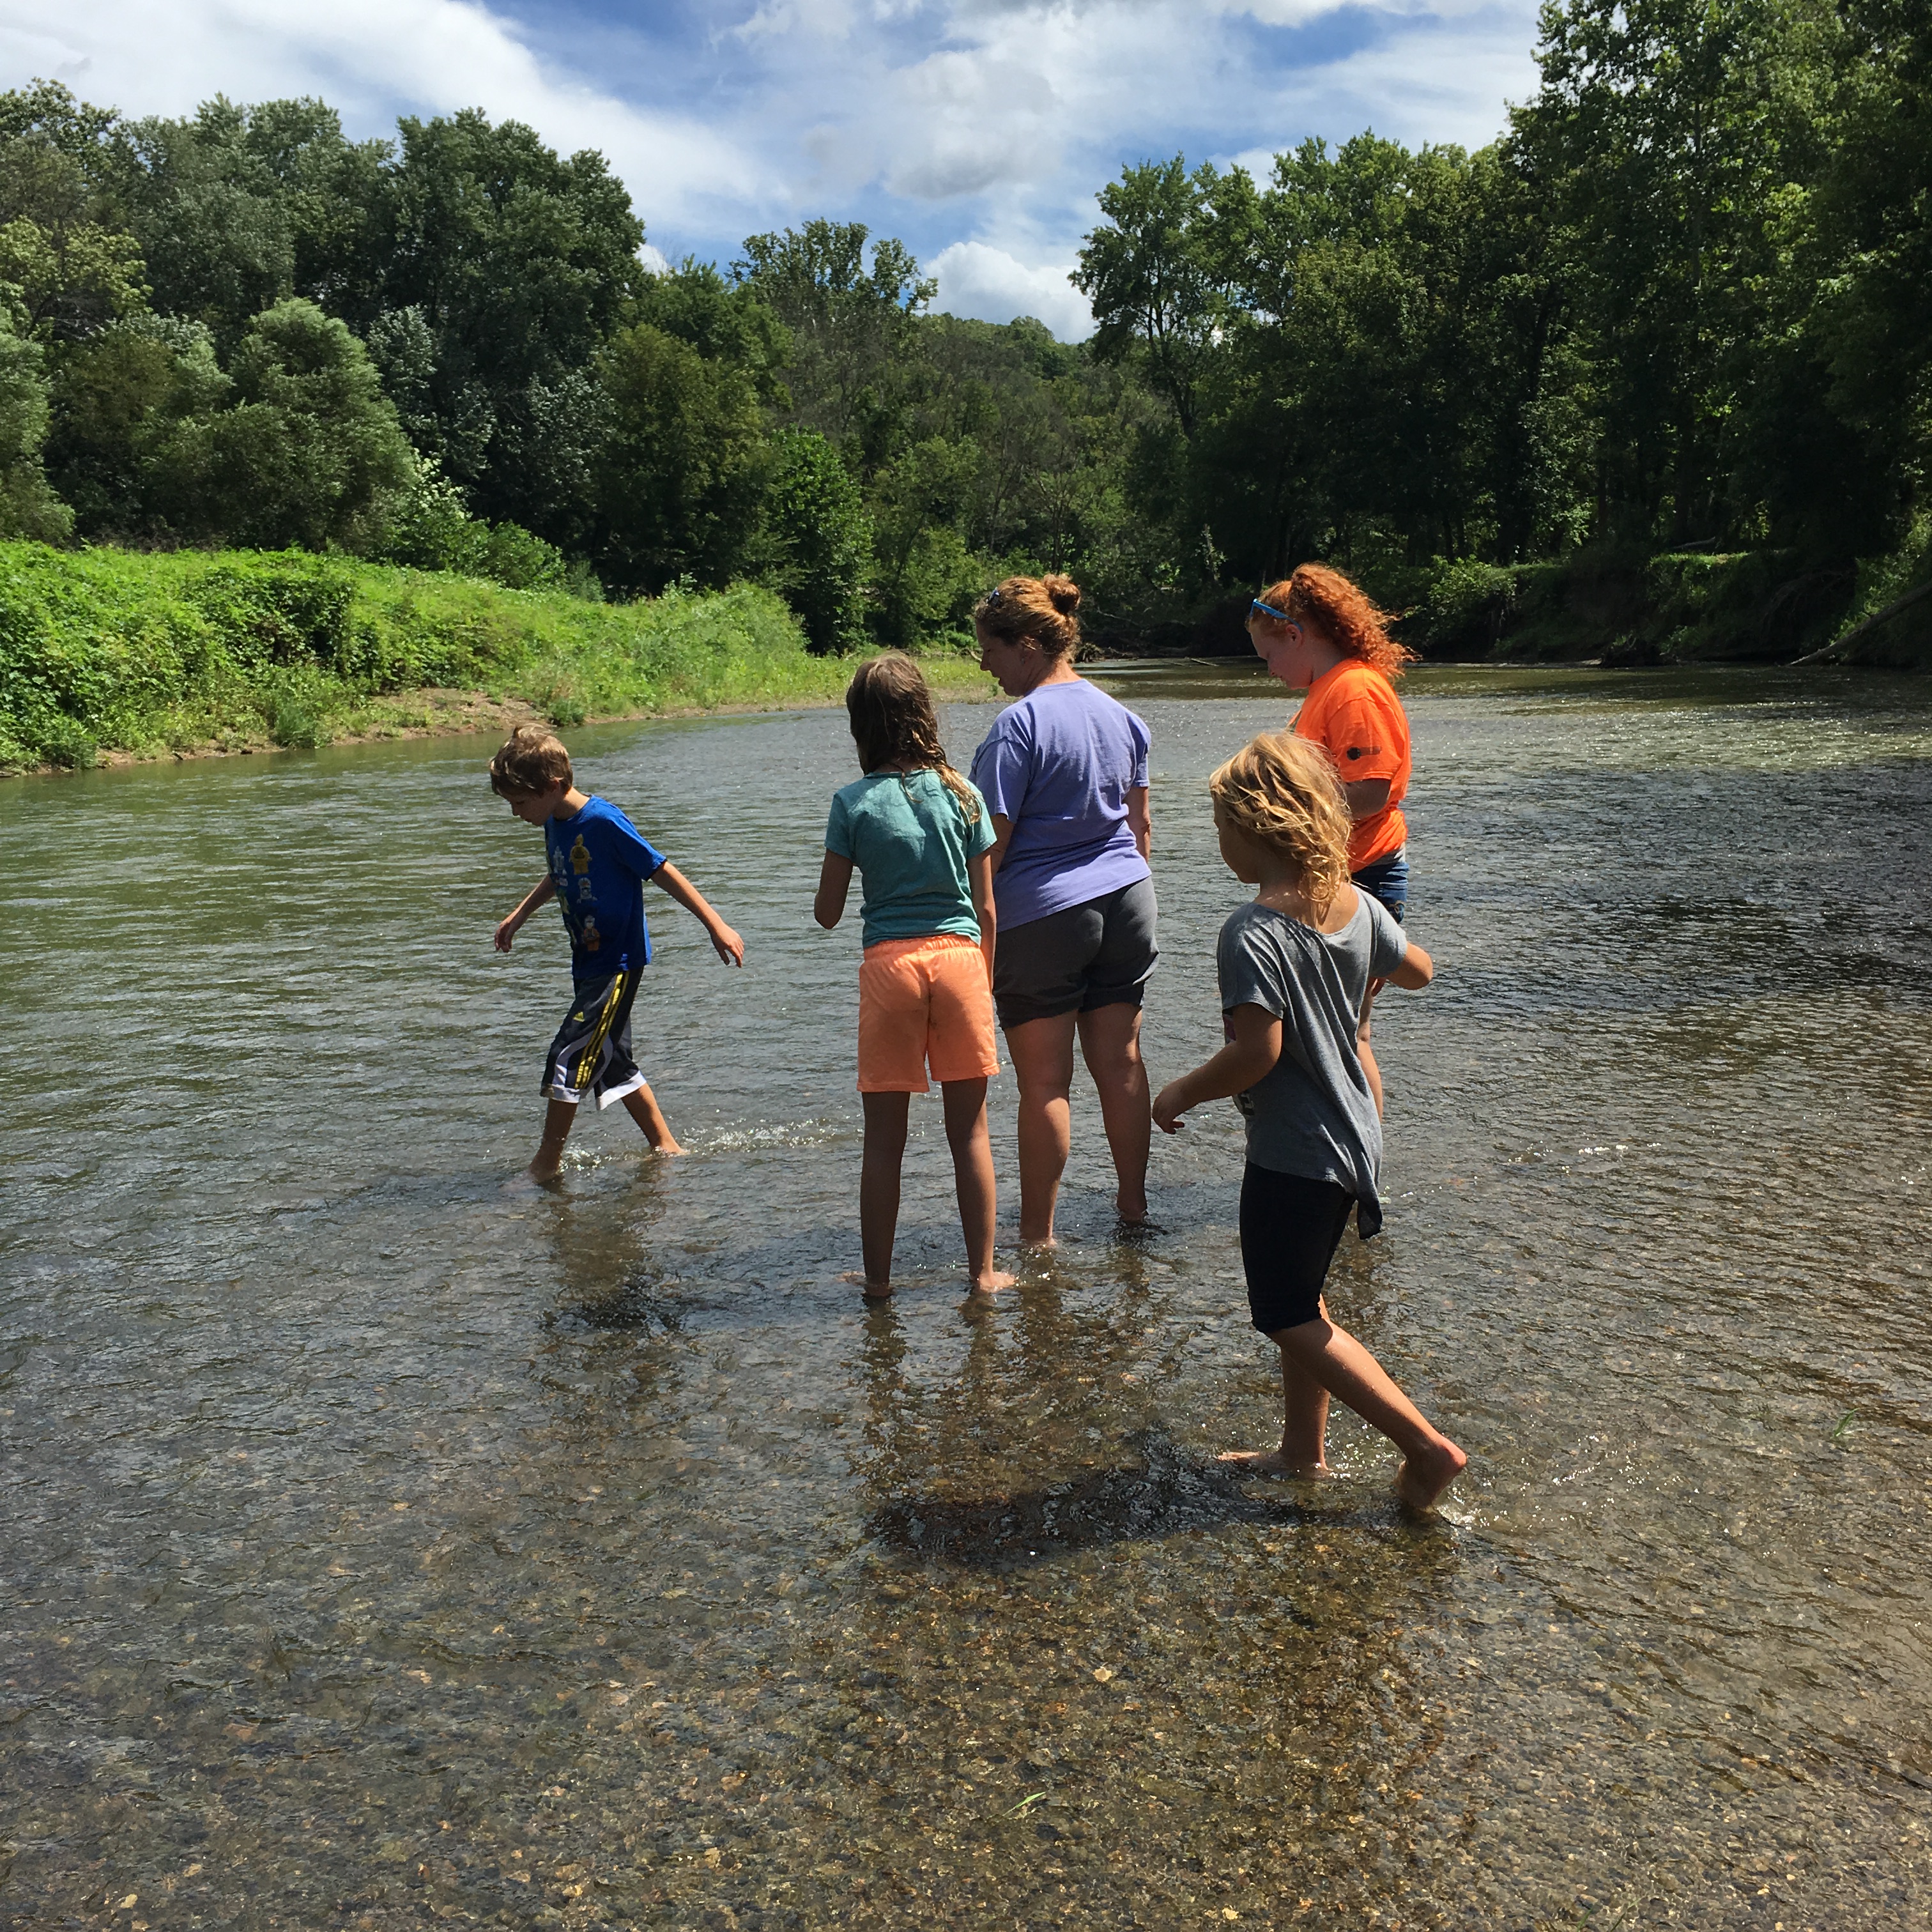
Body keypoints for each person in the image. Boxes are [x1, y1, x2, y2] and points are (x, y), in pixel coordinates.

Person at [1151, 731, 1465, 1510]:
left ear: (1252, 829)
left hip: (1295, 1151)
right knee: (1305, 1294)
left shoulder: (1251, 932)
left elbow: (1256, 1054)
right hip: (1356, 1137)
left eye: (1220, 826)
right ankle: (1303, 1451)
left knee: (1283, 1313)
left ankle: (1425, 1448)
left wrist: (1181, 1092)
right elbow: (1419, 971)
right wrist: (1362, 972)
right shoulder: (1356, 905)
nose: (1218, 841)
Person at [815, 655, 1012, 1300]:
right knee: (971, 1133)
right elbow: (987, 909)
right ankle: (983, 1275)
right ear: (925, 713)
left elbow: (828, 913)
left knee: (883, 1143)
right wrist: (984, 982)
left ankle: (878, 1283)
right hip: (960, 963)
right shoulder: (965, 794)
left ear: (860, 725)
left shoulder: (852, 803)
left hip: (891, 967)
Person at [969, 575, 1156, 1247]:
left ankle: (1037, 1239)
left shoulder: (1016, 728)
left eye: (988, 649)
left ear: (1025, 647)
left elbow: (990, 848)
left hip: (1044, 914)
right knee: (1122, 1065)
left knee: (1046, 1084)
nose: (983, 664)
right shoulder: (1122, 717)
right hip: (1129, 900)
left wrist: (975, 940)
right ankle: (1133, 1210)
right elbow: (1140, 829)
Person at [489, 724, 744, 1181]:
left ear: (553, 786)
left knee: (568, 1054)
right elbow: (559, 874)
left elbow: (660, 869)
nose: (515, 813)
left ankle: (545, 1165)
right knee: (612, 1062)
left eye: (520, 803)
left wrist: (716, 924)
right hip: (588, 961)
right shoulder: (555, 822)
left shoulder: (604, 822)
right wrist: (519, 915)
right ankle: (667, 1148)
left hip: (618, 963)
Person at [1246, 564, 1414, 1116]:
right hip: (1334, 872)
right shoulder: (1328, 689)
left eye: (1269, 656)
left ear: (1296, 635)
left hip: (1364, 872)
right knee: (1334, 1029)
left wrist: (1286, 807)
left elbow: (1372, 790)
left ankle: (1361, 1154)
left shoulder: (1353, 690)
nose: (1270, 671)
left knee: (1349, 1032)